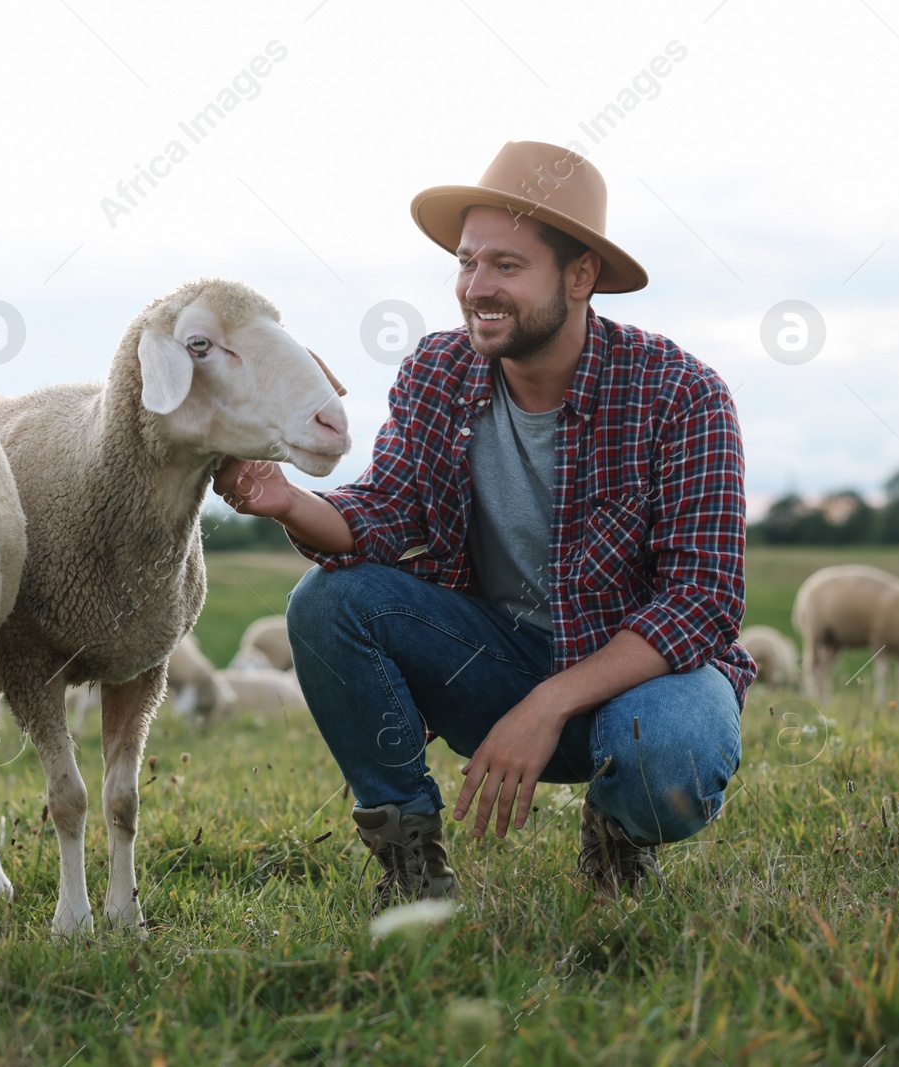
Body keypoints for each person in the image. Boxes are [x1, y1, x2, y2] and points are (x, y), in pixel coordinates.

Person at [215, 141, 752, 909]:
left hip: (638, 679)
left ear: (580, 275)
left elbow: (703, 598)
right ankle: (412, 865)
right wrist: (289, 499)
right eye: (467, 263)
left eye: (506, 265)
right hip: (491, 662)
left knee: (668, 759)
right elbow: (382, 511)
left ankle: (620, 835)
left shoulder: (680, 393)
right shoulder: (437, 372)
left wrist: (549, 703)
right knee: (327, 601)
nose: (476, 287)